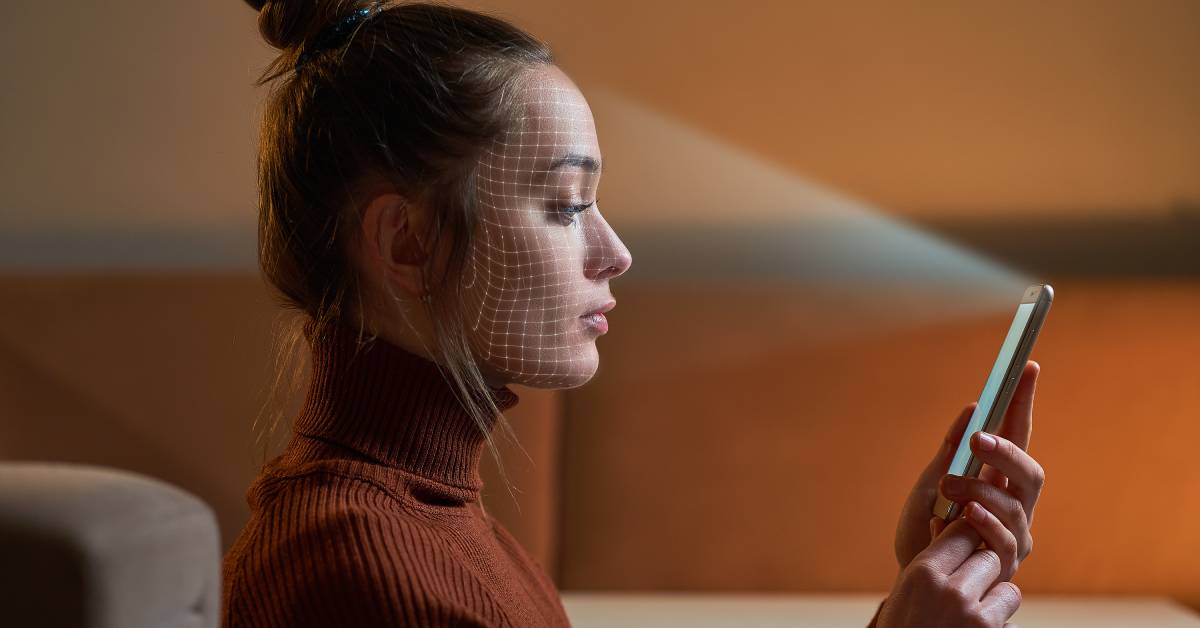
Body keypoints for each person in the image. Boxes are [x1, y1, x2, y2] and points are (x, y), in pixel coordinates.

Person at [222, 2, 1046, 627]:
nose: (614, 252)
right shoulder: (357, 567)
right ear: (406, 244)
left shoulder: (427, 518)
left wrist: (909, 596)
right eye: (564, 204)